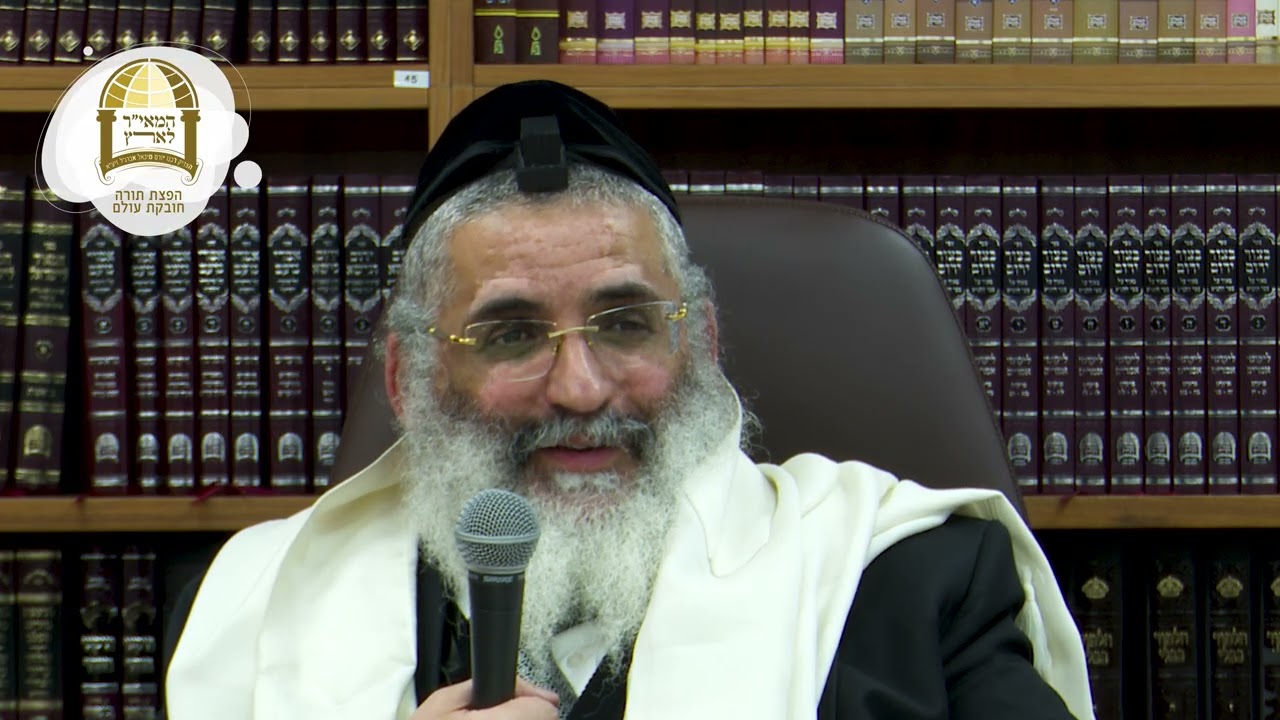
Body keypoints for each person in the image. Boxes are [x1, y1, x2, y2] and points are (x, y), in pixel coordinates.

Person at [164, 80, 1093, 720]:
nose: (581, 387)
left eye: (625, 324)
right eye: (510, 335)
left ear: (701, 344)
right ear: (410, 380)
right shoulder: (258, 611)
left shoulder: (913, 580)